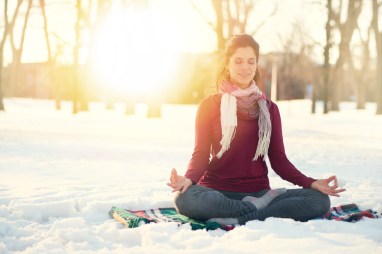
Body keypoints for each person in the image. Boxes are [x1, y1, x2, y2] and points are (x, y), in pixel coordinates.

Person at [167, 34, 345, 225]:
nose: (245, 67)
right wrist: (190, 179)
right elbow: (201, 154)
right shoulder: (209, 105)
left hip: (259, 192)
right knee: (183, 198)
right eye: (238, 61)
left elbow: (279, 160)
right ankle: (256, 212)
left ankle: (242, 214)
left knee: (319, 200)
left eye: (251, 61)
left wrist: (311, 183)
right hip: (216, 191)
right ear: (227, 64)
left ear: (256, 64)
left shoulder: (269, 109)